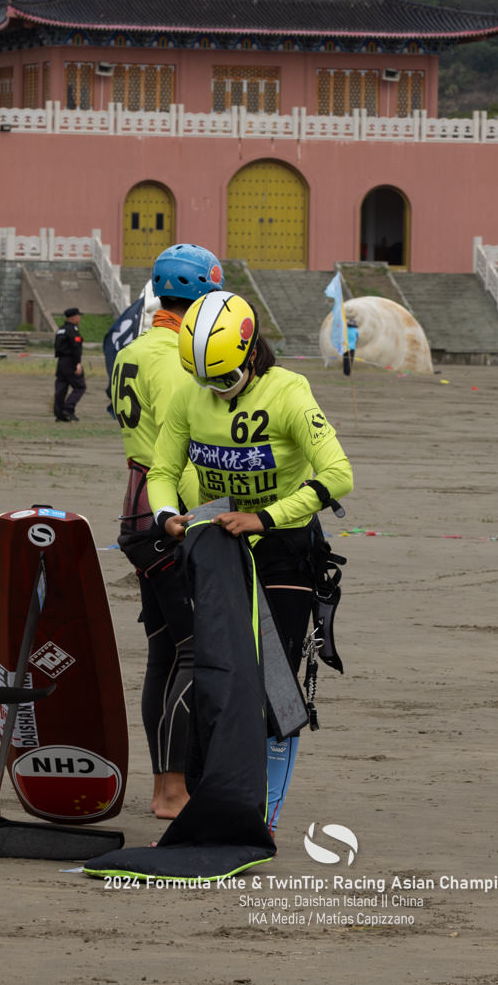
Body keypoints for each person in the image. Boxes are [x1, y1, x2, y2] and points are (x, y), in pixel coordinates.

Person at [148, 289, 352, 830]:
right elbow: (162, 471)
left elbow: (337, 475)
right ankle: (213, 798)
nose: (213, 391)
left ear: (250, 353)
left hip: (284, 552)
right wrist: (168, 514)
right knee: (217, 681)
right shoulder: (191, 395)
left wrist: (265, 518)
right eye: (205, 381)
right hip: (219, 550)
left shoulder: (289, 392)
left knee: (274, 691)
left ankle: (264, 816)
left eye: (225, 381)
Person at [110, 244, 224, 818]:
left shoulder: (130, 349)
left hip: (133, 510)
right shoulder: (180, 359)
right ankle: (171, 789)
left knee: (164, 651)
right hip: (168, 516)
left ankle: (168, 783)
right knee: (194, 650)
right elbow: (183, 449)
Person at [53, 306, 85, 421]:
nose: (79, 319)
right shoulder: (73, 331)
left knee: (61, 388)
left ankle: (59, 414)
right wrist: (77, 363)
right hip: (71, 361)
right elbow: (76, 348)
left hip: (61, 362)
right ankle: (68, 408)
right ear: (73, 318)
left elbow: (57, 347)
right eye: (78, 316)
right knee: (80, 386)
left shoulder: (61, 330)